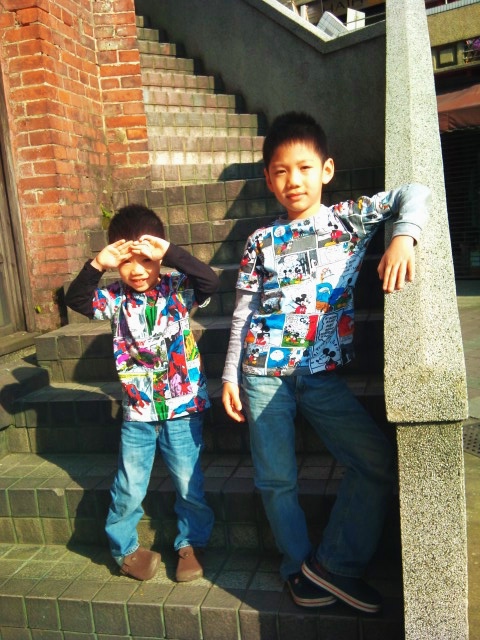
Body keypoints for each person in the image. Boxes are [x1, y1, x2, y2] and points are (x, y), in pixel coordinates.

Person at [222, 112, 430, 613]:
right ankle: (297, 570)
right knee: (276, 480)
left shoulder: (347, 220)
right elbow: (244, 312)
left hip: (319, 375)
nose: (293, 180)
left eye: (304, 167)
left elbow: (415, 190)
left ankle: (333, 564)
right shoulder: (258, 241)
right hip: (261, 374)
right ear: (268, 179)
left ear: (327, 170)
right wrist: (229, 374)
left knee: (375, 461)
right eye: (280, 171)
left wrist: (403, 237)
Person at [65, 204, 218, 582]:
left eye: (146, 260)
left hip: (183, 406)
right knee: (130, 483)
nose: (136, 270)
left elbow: (210, 282)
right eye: (126, 262)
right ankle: (125, 549)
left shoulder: (178, 290)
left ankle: (191, 543)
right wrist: (96, 264)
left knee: (188, 481)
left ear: (158, 257)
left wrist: (170, 253)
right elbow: (77, 300)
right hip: (138, 410)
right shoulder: (114, 298)